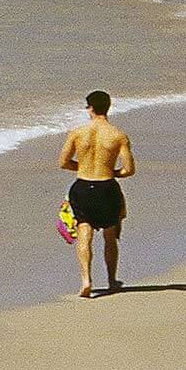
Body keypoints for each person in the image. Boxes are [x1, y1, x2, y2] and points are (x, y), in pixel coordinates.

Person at [60, 90, 134, 297]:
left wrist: (83, 167)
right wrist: (111, 171)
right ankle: (111, 280)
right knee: (110, 235)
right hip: (106, 187)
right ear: (108, 107)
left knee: (85, 234)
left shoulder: (77, 132)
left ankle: (86, 280)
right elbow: (129, 170)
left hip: (82, 187)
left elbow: (63, 162)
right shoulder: (118, 135)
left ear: (89, 108)